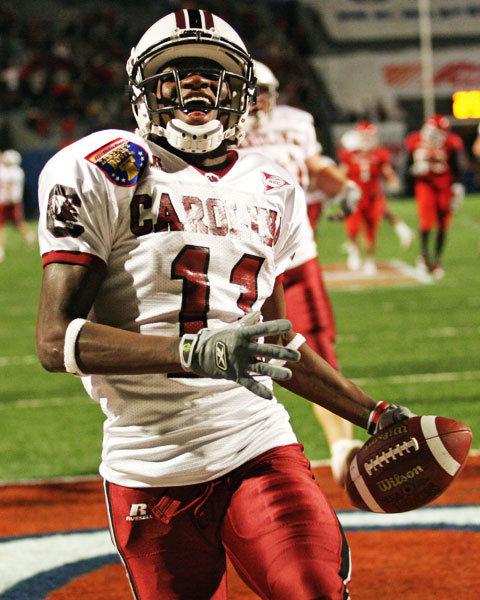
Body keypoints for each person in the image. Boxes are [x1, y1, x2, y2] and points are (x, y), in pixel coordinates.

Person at [36, 11, 413, 600]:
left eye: (213, 76)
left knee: (314, 591)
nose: (196, 88)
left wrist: (373, 412)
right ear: (144, 90)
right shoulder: (102, 169)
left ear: (239, 94)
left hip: (255, 443)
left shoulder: (274, 186)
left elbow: (278, 343)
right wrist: (193, 351)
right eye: (177, 74)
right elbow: (55, 342)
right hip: (148, 465)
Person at [240, 60, 362, 486]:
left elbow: (316, 165)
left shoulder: (295, 122)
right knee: (236, 356)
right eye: (249, 90)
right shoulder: (214, 130)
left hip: (295, 254)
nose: (257, 101)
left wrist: (343, 185)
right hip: (240, 259)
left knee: (317, 348)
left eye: (263, 91)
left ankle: (341, 445)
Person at [338, 121, 410, 275]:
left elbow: (387, 171)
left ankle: (370, 259)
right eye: (363, 137)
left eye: (368, 136)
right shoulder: (349, 155)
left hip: (373, 198)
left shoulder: (379, 154)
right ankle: (354, 251)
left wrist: (393, 181)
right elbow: (340, 175)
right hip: (353, 198)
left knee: (371, 230)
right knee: (352, 229)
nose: (366, 140)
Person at [405, 114, 465, 279]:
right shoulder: (415, 141)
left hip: (445, 186)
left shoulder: (451, 142)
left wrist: (458, 186)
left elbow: (456, 166)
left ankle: (437, 260)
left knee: (444, 224)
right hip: (425, 185)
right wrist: (414, 170)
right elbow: (407, 167)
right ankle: (424, 257)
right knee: (425, 222)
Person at [0, 149, 35, 262]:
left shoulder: (10, 171)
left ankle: (1, 249)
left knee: (2, 225)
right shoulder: (18, 171)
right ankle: (29, 236)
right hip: (15, 201)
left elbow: (8, 186)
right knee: (18, 223)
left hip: (6, 201)